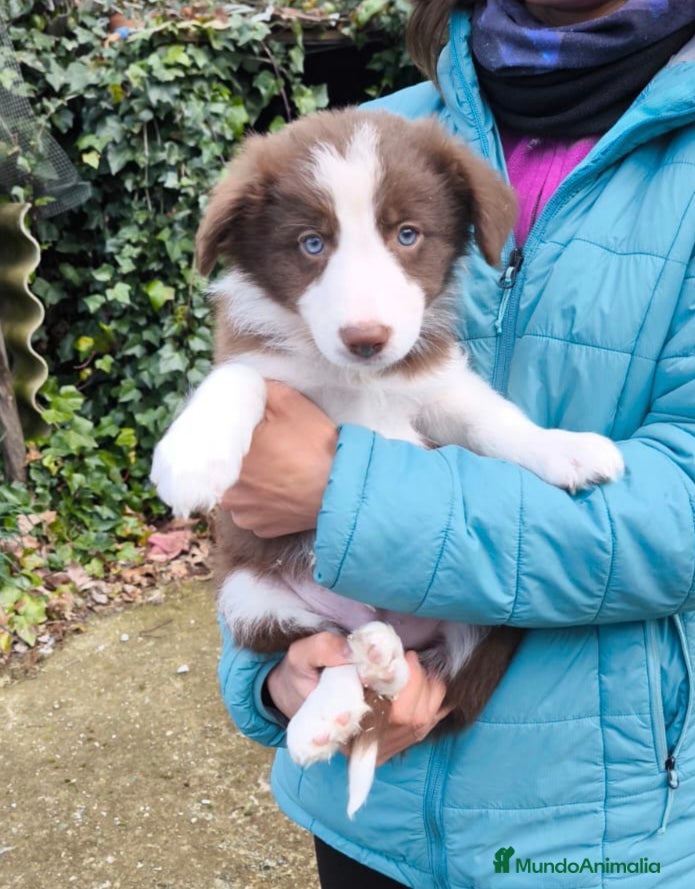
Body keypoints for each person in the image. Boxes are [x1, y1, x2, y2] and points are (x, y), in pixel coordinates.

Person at [216, 2, 695, 886]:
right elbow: (255, 459)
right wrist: (275, 673)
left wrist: (339, 495)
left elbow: (682, 518)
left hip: (601, 831)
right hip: (370, 819)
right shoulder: (380, 135)